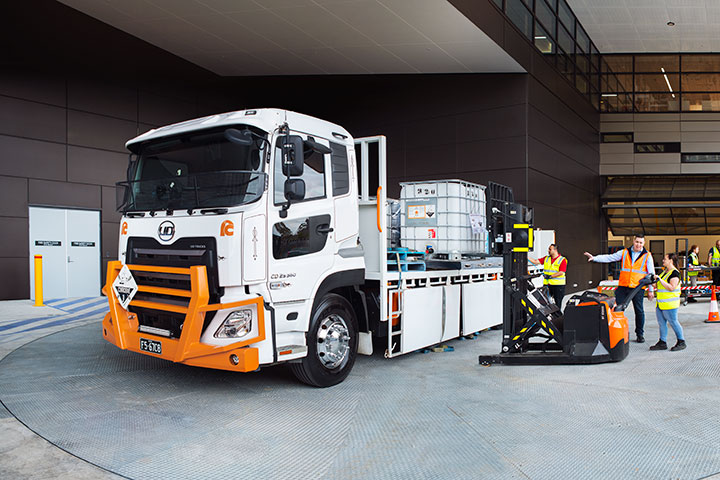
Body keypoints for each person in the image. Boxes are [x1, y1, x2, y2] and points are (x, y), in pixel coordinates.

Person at [584, 234, 655, 343]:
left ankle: (639, 334)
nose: (638, 245)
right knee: (617, 309)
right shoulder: (625, 252)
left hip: (637, 288)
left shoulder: (647, 255)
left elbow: (651, 274)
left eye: (641, 243)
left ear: (643, 243)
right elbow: (610, 257)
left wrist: (650, 290)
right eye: (637, 242)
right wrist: (595, 258)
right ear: (633, 241)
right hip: (623, 286)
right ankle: (614, 331)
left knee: (639, 311)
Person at [650, 253, 686, 351]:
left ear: (671, 260)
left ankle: (681, 341)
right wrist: (651, 281)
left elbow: (671, 287)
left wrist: (660, 280)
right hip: (661, 304)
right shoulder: (665, 272)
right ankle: (662, 342)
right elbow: (658, 286)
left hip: (670, 305)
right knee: (661, 323)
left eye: (665, 259)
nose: (663, 261)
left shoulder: (675, 273)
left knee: (673, 322)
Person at [529, 244, 567, 309]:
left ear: (555, 250)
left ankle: (558, 317)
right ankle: (548, 316)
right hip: (547, 285)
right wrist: (525, 255)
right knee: (544, 301)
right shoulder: (546, 258)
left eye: (550, 249)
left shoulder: (562, 260)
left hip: (558, 285)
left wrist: (550, 276)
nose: (548, 251)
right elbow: (535, 262)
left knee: (558, 303)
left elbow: (561, 272)